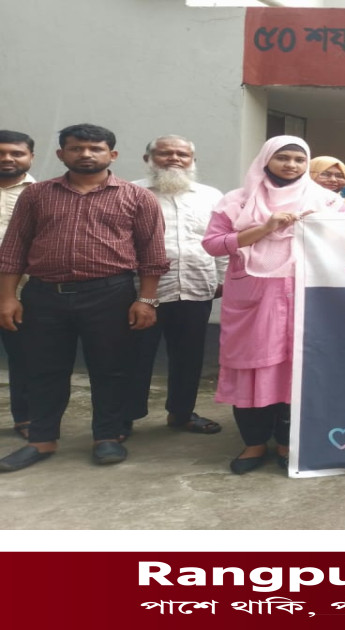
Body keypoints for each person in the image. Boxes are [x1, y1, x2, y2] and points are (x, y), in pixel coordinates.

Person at [0, 124, 168, 471]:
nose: (86, 154)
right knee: (43, 370)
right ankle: (41, 439)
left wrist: (147, 300)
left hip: (110, 294)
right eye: (76, 148)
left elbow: (152, 254)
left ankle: (106, 437)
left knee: (111, 369)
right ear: (61, 154)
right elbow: (13, 249)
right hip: (44, 295)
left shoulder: (138, 197)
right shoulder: (36, 195)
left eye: (95, 148)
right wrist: (8, 298)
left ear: (112, 154)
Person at [201, 136, 345, 474]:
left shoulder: (327, 201)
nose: (291, 165)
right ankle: (253, 444)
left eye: (299, 159)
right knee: (251, 368)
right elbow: (213, 245)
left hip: (307, 297)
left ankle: (286, 444)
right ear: (266, 159)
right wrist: (265, 228)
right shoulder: (237, 200)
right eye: (283, 157)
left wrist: (321, 228)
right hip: (253, 299)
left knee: (296, 369)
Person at [126, 135, 227, 437]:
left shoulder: (210, 196)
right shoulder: (130, 193)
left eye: (182, 154)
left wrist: (222, 278)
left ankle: (181, 413)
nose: (174, 159)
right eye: (165, 153)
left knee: (189, 357)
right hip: (142, 292)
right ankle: (125, 417)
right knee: (135, 357)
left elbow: (220, 238)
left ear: (192, 161)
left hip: (196, 286)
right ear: (148, 159)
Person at [0, 130, 36, 440]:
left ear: (30, 157)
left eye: (16, 153)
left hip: (22, 292)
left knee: (25, 357)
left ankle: (26, 417)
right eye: (1, 153)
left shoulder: (42, 194)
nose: (7, 159)